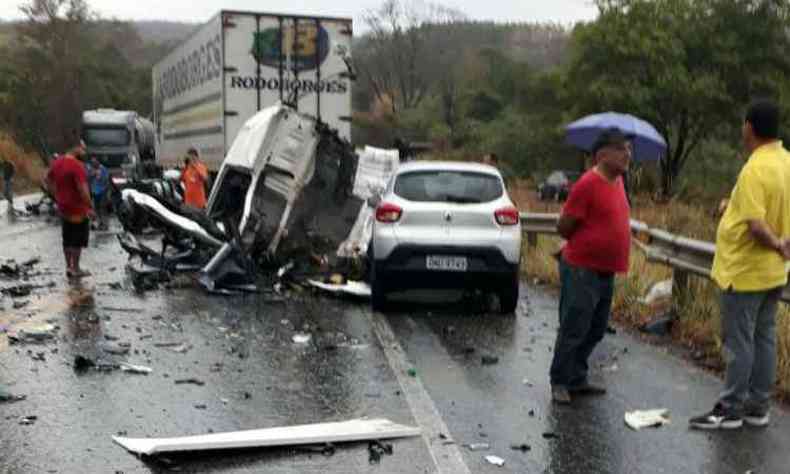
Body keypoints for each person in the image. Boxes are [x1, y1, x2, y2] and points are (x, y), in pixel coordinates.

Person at [690, 100, 790, 430]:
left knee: (738, 341)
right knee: (763, 337)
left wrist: (775, 242)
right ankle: (758, 406)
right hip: (773, 272)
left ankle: (730, 408)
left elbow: (756, 225)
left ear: (749, 127)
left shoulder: (754, 168)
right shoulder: (786, 162)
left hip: (744, 271)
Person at [549, 128, 633, 404]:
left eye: (628, 149)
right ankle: (560, 380)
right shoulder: (587, 184)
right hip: (582, 268)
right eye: (622, 149)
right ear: (602, 154)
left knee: (596, 329)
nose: (628, 154)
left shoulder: (619, 182)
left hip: (606, 270)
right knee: (574, 327)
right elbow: (564, 227)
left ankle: (577, 376)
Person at [47, 141, 94, 279]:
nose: (84, 153)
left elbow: (47, 179)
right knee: (77, 240)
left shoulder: (57, 162)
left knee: (67, 238)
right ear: (76, 148)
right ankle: (76, 268)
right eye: (83, 150)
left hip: (63, 208)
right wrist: (90, 206)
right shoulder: (77, 166)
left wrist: (56, 196)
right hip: (78, 209)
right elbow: (82, 189)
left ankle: (68, 266)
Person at [87, 156, 110, 230]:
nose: (93, 163)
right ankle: (100, 223)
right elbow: (88, 178)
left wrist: (100, 177)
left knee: (103, 208)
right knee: (96, 208)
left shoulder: (103, 169)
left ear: (98, 162)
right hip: (94, 191)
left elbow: (106, 179)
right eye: (92, 162)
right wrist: (92, 175)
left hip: (102, 191)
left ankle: (105, 224)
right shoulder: (91, 169)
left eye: (95, 161)